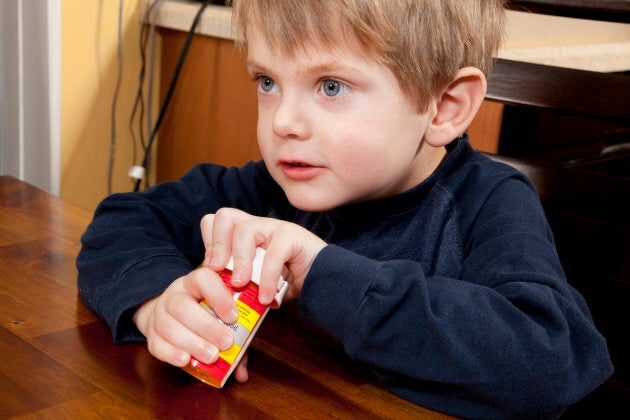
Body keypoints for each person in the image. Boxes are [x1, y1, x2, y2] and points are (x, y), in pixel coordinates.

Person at [77, 0, 613, 417]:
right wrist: (155, 305)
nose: (284, 121)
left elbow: (551, 360)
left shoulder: (488, 203)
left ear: (444, 107)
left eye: (330, 86)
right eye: (267, 82)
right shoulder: (271, 187)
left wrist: (321, 271)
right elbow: (125, 217)